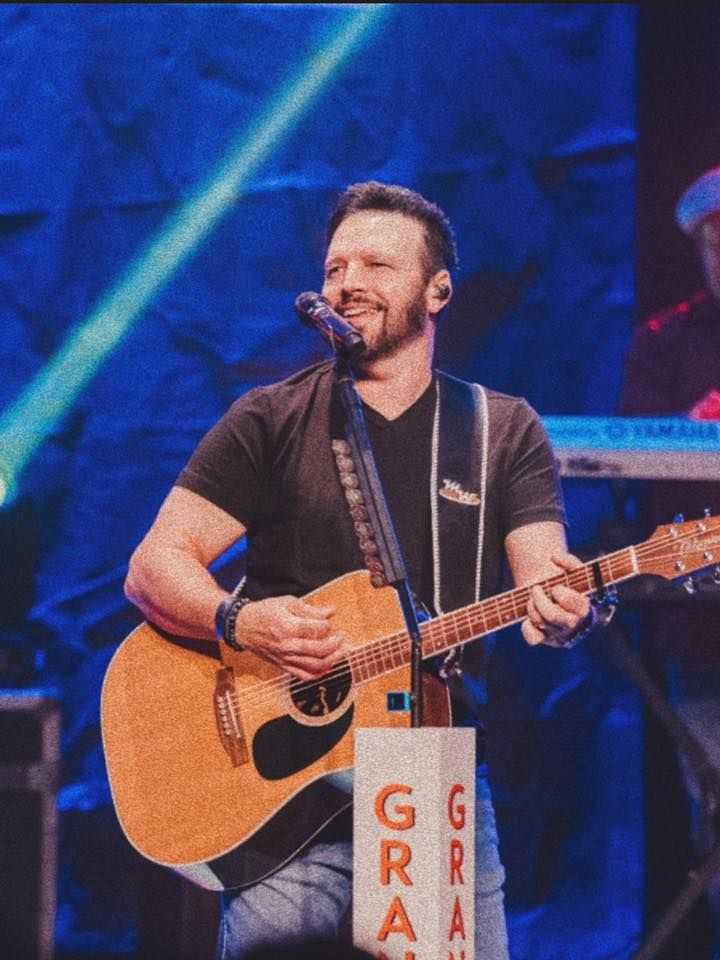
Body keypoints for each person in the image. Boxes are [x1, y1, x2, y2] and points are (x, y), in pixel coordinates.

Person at [124, 181, 593, 959]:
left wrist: (561, 605)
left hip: (423, 766)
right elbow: (154, 565)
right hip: (278, 797)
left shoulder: (500, 430)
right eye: (337, 265)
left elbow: (543, 569)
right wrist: (240, 619)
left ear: (437, 289)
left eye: (377, 263)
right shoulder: (269, 419)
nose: (349, 282)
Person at [620, 165, 720, 956]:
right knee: (713, 809)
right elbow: (634, 461)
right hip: (704, 626)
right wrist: (696, 425)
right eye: (716, 240)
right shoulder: (664, 343)